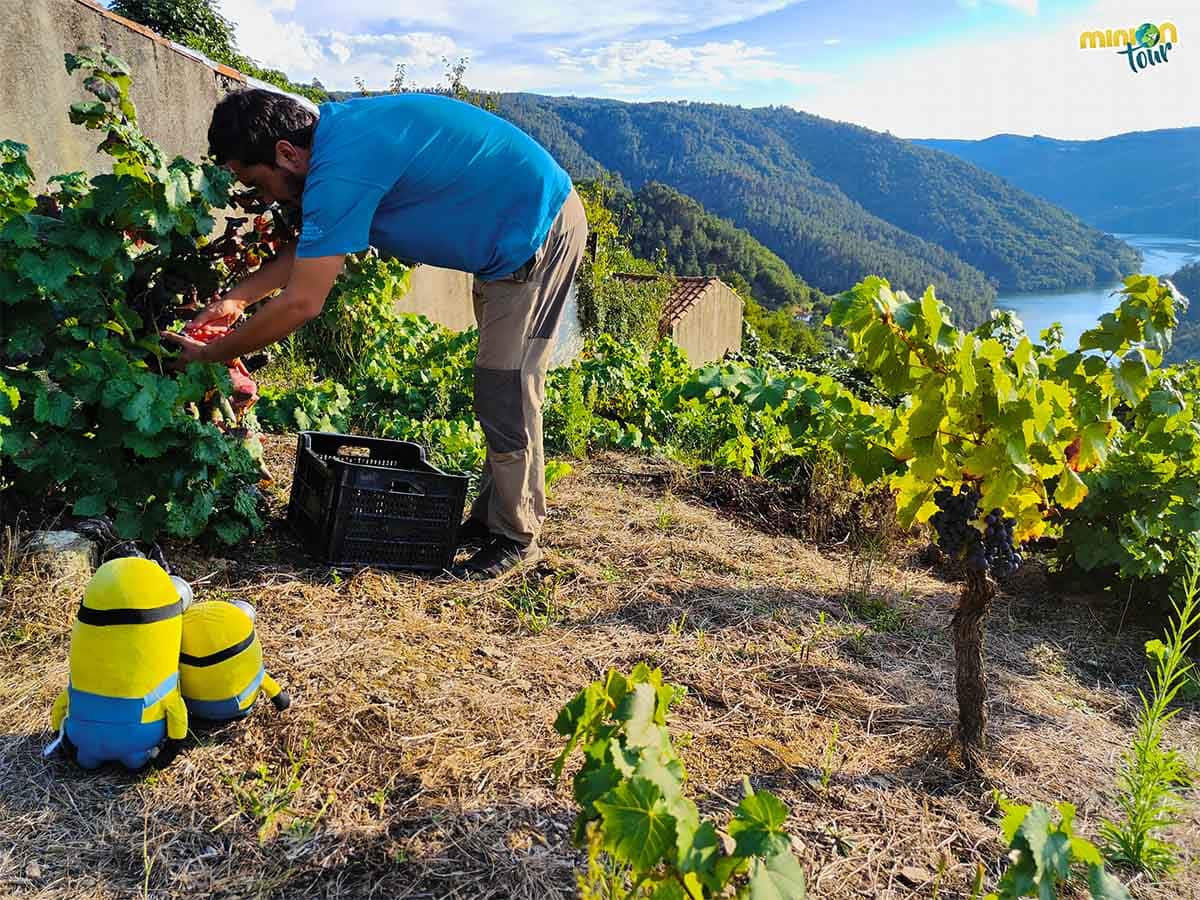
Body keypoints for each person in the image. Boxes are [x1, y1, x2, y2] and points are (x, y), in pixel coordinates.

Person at [163, 88, 587, 579]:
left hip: (537, 228)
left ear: (285, 154)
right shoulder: (336, 143)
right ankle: (496, 520)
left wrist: (211, 354)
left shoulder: (342, 165)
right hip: (502, 243)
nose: (266, 198)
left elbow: (303, 301)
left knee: (505, 387)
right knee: (501, 384)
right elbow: (308, 250)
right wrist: (232, 301)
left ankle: (516, 536)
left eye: (258, 182)